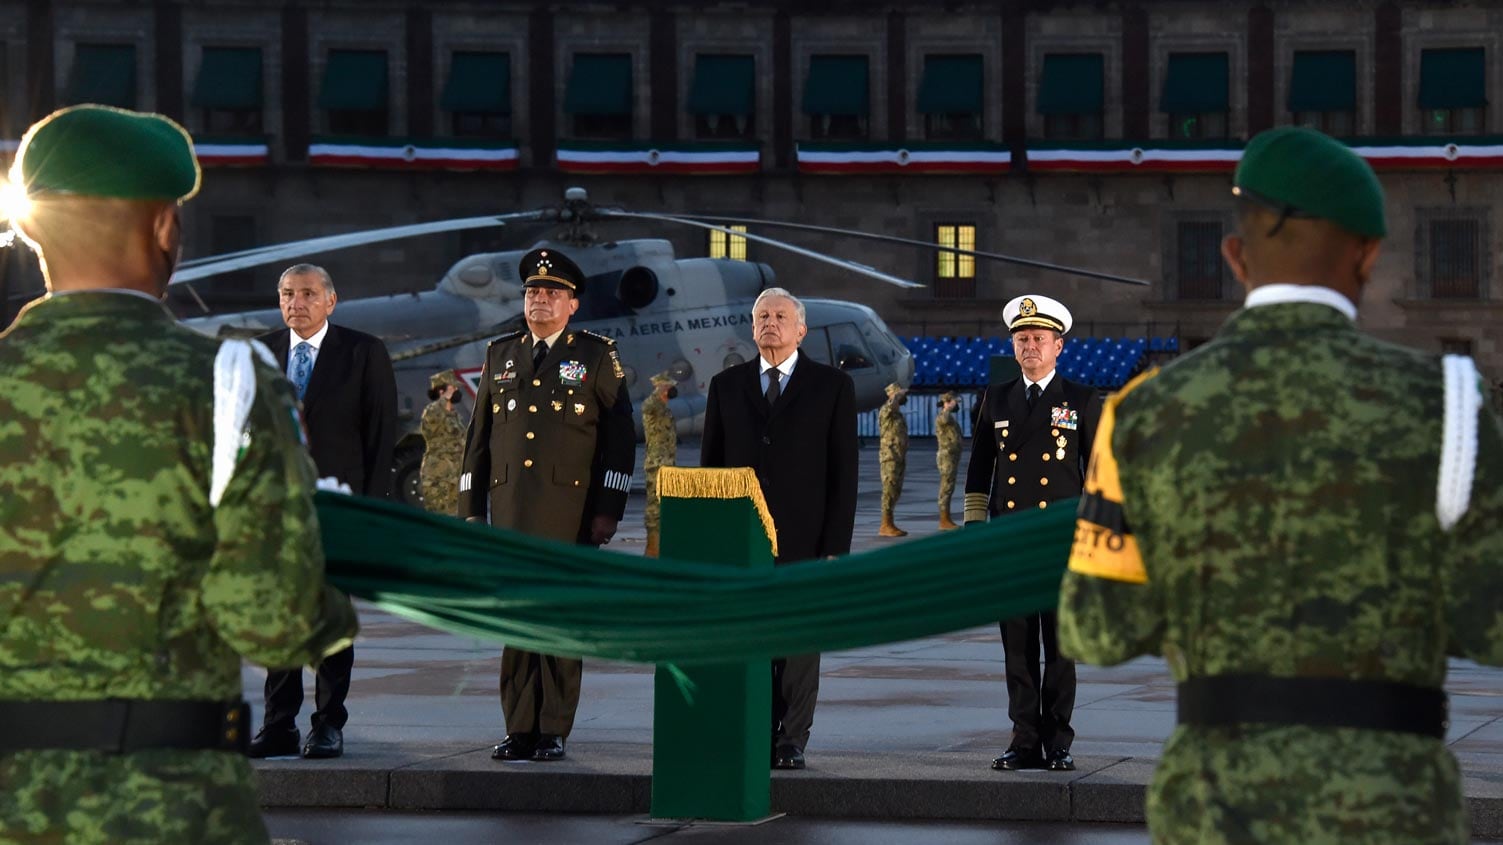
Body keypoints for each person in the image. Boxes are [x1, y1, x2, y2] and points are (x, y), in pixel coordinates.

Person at [1059, 126, 1503, 844]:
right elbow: (1491, 623)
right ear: (1367, 254)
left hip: (1212, 799)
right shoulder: (1447, 401)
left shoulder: (1141, 411)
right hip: (1391, 799)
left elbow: (1098, 629)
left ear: (1234, 256)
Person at [0, 104, 357, 843]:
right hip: (170, 802)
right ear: (165, 226)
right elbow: (276, 619)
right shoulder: (227, 383)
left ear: (32, 230)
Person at [457, 247, 635, 763]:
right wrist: (471, 510)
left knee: (558, 620)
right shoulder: (501, 354)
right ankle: (519, 728)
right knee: (516, 623)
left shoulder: (597, 355)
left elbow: (619, 436)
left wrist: (608, 507)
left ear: (572, 304)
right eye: (534, 291)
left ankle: (552, 727)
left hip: (569, 512)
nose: (540, 300)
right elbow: (479, 440)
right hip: (510, 513)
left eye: (552, 293)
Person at [701, 287, 859, 770]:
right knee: (748, 640)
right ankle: (754, 728)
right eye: (762, 316)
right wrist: (712, 543)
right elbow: (711, 472)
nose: (770, 323)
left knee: (797, 642)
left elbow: (844, 474)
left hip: (805, 536)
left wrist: (835, 547)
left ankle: (791, 738)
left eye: (780, 316)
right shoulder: (726, 386)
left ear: (801, 330)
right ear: (752, 327)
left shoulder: (831, 387)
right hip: (742, 539)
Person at [249, 263, 398, 760]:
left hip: (338, 512)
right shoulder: (259, 353)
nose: (297, 303)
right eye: (288, 294)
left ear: (331, 301)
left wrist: (372, 518)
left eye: (309, 294)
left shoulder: (363, 353)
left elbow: (381, 441)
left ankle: (328, 724)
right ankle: (278, 725)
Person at [964, 294, 1100, 773]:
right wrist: (976, 532)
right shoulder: (995, 398)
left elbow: (1101, 473)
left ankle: (1058, 741)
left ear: (1058, 345)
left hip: (1061, 542)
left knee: (1060, 648)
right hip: (1011, 541)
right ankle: (1024, 739)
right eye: (1022, 339)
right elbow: (980, 470)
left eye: (1039, 339)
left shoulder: (1082, 400)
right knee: (1017, 647)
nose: (1030, 347)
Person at [642, 369, 679, 558]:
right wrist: (659, 391)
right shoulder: (653, 405)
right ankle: (652, 549)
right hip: (656, 463)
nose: (673, 390)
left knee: (664, 505)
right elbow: (647, 407)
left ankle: (660, 546)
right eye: (670, 387)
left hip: (667, 463)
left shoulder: (664, 408)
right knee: (655, 507)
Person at [420, 370, 467, 515]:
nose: (457, 391)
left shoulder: (455, 415)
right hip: (439, 476)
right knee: (439, 514)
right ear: (442, 391)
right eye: (453, 387)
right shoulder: (432, 411)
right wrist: (443, 399)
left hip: (455, 474)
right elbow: (431, 425)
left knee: (455, 514)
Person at [877, 382, 909, 537]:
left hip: (898, 457)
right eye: (899, 398)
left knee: (896, 490)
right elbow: (889, 406)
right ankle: (885, 525)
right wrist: (895, 395)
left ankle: (890, 522)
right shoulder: (885, 411)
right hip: (889, 457)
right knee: (889, 489)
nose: (902, 400)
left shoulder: (898, 415)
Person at [934, 391, 962, 530]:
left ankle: (946, 518)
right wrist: (948, 407)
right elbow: (944, 419)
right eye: (954, 402)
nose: (956, 405)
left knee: (949, 487)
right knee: (946, 487)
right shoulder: (942, 417)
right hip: (946, 457)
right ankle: (944, 520)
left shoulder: (949, 417)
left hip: (951, 457)